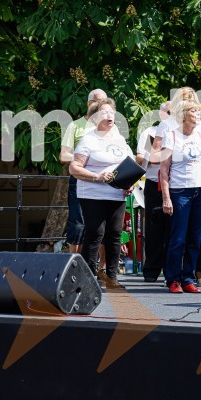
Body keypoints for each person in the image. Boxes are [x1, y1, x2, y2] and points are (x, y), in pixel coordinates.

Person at [68, 98, 134, 289]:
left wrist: (128, 183)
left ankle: (111, 278)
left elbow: (130, 165)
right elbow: (74, 168)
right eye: (104, 113)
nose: (109, 116)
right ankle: (86, 278)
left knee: (114, 235)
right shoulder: (89, 139)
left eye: (112, 113)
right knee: (95, 234)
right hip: (92, 193)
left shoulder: (119, 139)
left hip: (116, 195)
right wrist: (97, 176)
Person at [160, 99, 201, 294]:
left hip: (200, 190)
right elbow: (164, 169)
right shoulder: (172, 136)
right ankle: (173, 278)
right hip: (180, 191)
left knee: (195, 237)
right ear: (184, 114)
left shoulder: (200, 135)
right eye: (194, 110)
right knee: (178, 238)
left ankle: (188, 277)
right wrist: (166, 198)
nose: (198, 114)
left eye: (199, 110)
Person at [60, 88, 108, 254]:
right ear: (89, 104)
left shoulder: (109, 127)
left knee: (104, 223)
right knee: (78, 222)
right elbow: (64, 155)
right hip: (80, 179)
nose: (103, 106)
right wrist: (86, 157)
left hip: (104, 180)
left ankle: (102, 270)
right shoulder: (75, 126)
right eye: (99, 102)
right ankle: (75, 266)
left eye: (106, 102)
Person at [136, 101, 171, 283]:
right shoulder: (149, 132)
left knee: (173, 229)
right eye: (167, 111)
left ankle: (171, 269)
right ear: (161, 114)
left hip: (174, 184)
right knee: (154, 226)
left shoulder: (179, 133)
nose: (170, 114)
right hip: (153, 182)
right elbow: (139, 156)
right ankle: (151, 269)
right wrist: (155, 158)